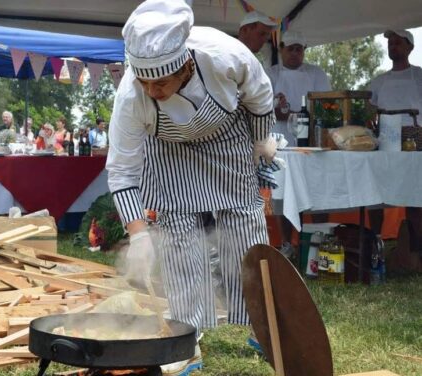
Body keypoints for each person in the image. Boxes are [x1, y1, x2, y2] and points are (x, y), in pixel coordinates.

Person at [106, 0, 275, 372]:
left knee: (245, 239)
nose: (152, 90)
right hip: (166, 154)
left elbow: (260, 97)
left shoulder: (225, 54)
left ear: (184, 66)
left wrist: (262, 142)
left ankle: (266, 329)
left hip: (226, 143)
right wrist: (137, 236)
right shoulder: (130, 97)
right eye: (144, 81)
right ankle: (186, 340)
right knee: (180, 243)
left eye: (161, 82)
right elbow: (122, 172)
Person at [265, 31, 331, 257]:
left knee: (317, 188)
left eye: (299, 49)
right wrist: (277, 109)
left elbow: (327, 105)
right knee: (281, 193)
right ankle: (286, 244)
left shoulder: (316, 74)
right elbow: (260, 106)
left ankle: (321, 239)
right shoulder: (270, 73)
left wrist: (294, 114)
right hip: (278, 141)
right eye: (290, 48)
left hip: (312, 140)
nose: (294, 53)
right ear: (281, 48)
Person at [369, 29, 422, 247]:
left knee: (416, 197)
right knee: (375, 196)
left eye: (397, 42)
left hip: (415, 144)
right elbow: (368, 111)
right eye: (390, 43)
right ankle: (375, 242)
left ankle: (417, 248)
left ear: (410, 47)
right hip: (385, 144)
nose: (393, 46)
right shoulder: (379, 81)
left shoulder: (419, 76)